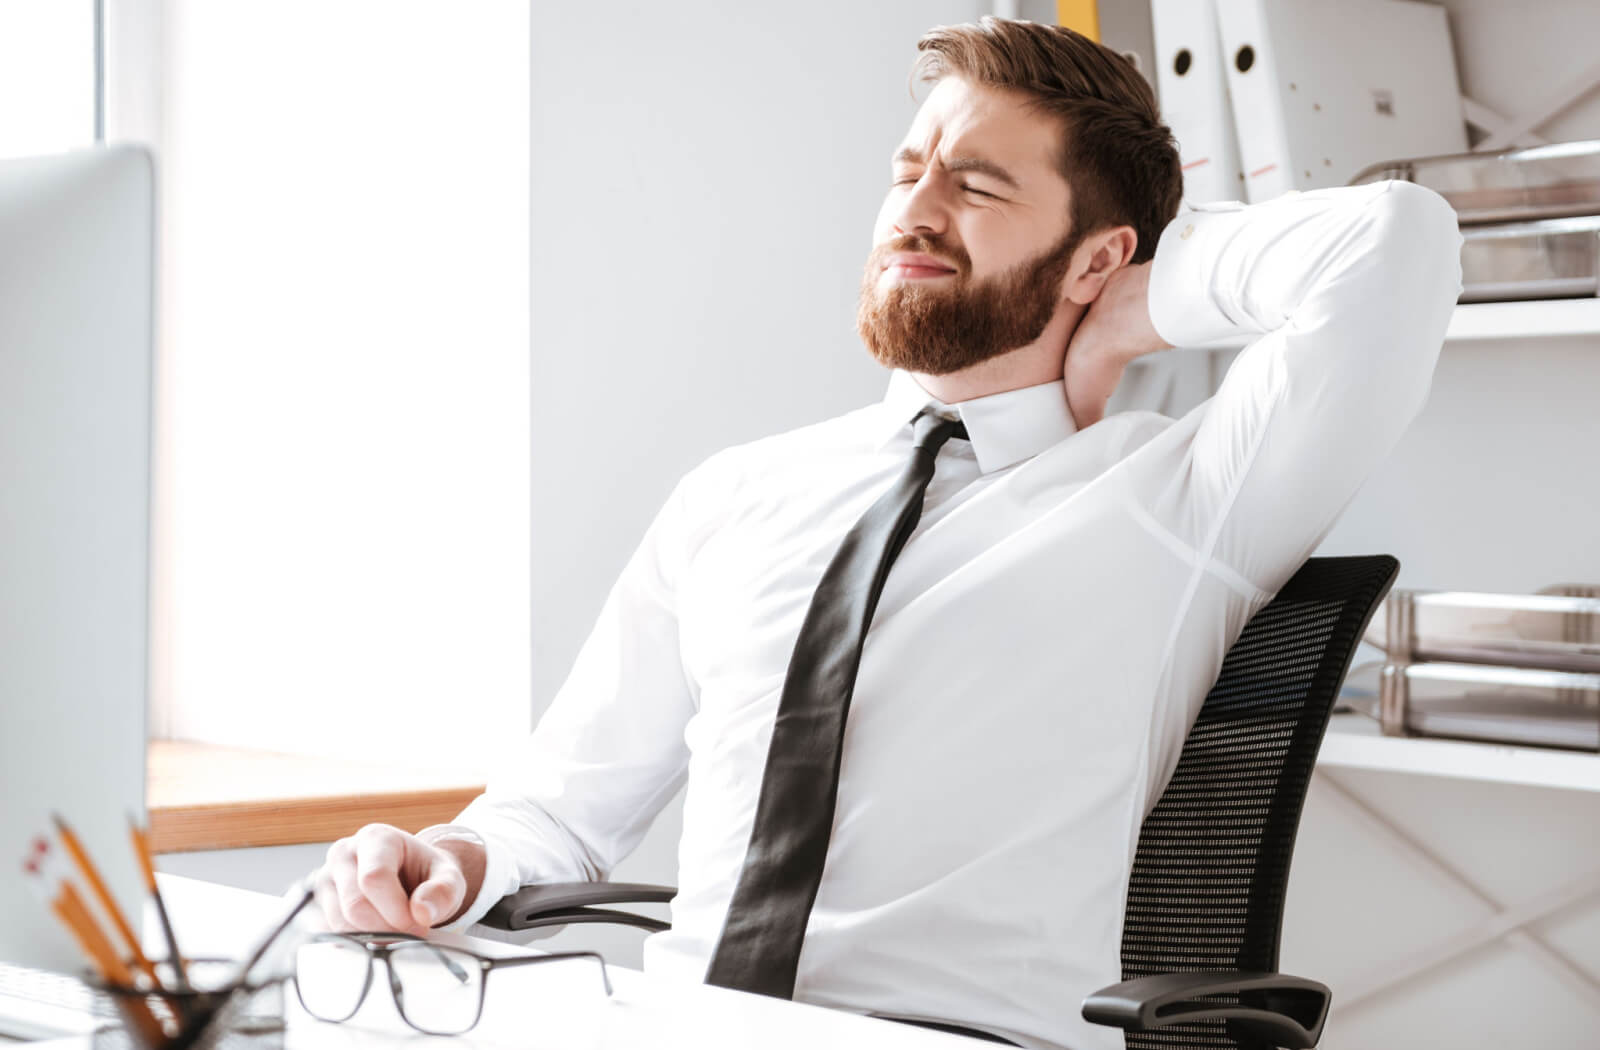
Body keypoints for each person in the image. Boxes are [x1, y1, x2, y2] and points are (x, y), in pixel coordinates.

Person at [311, 17, 1462, 1050]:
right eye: (906, 171)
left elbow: (1392, 245)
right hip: (680, 1025)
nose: (911, 212)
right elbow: (562, 806)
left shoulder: (1183, 500)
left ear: (1097, 254)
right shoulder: (737, 494)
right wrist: (457, 862)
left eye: (974, 185)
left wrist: (1132, 313)